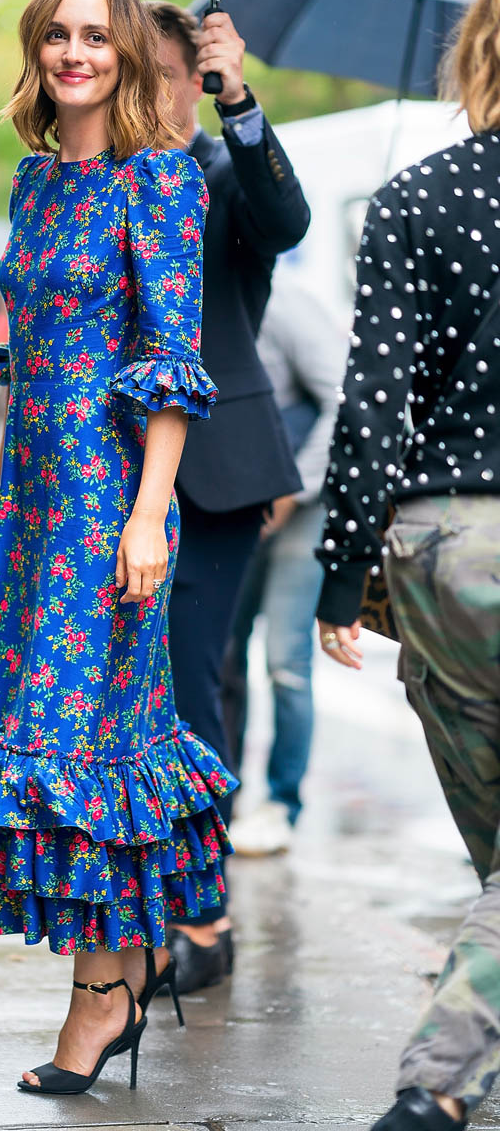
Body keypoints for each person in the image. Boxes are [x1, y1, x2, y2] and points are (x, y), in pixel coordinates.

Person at [0, 0, 236, 1095]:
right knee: (35, 737)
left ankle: (105, 988)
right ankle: (111, 971)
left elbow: (170, 367)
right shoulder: (34, 182)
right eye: (57, 33)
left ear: (124, 55)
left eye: (95, 36)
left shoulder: (158, 182)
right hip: (30, 501)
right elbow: (37, 348)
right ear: (35, 49)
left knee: (91, 744)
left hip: (108, 508)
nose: (74, 52)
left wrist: (149, 516)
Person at [316, 0, 500, 1131]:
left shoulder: (419, 194)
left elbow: (373, 398)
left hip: (433, 545)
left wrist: (342, 572)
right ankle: (433, 1092)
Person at [147, 0, 310, 992]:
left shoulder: (217, 173)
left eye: (172, 70)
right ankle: (137, 908)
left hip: (217, 470)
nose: (153, 88)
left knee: (187, 681)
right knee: (121, 696)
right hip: (109, 471)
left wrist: (236, 96)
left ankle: (202, 920)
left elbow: (284, 221)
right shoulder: (99, 179)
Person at [222, 277, 347, 855]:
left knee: (285, 663)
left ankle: (282, 802)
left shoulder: (290, 304)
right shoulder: (197, 300)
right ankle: (219, 796)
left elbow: (343, 401)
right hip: (236, 509)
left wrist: (289, 491)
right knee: (220, 657)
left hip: (300, 509)